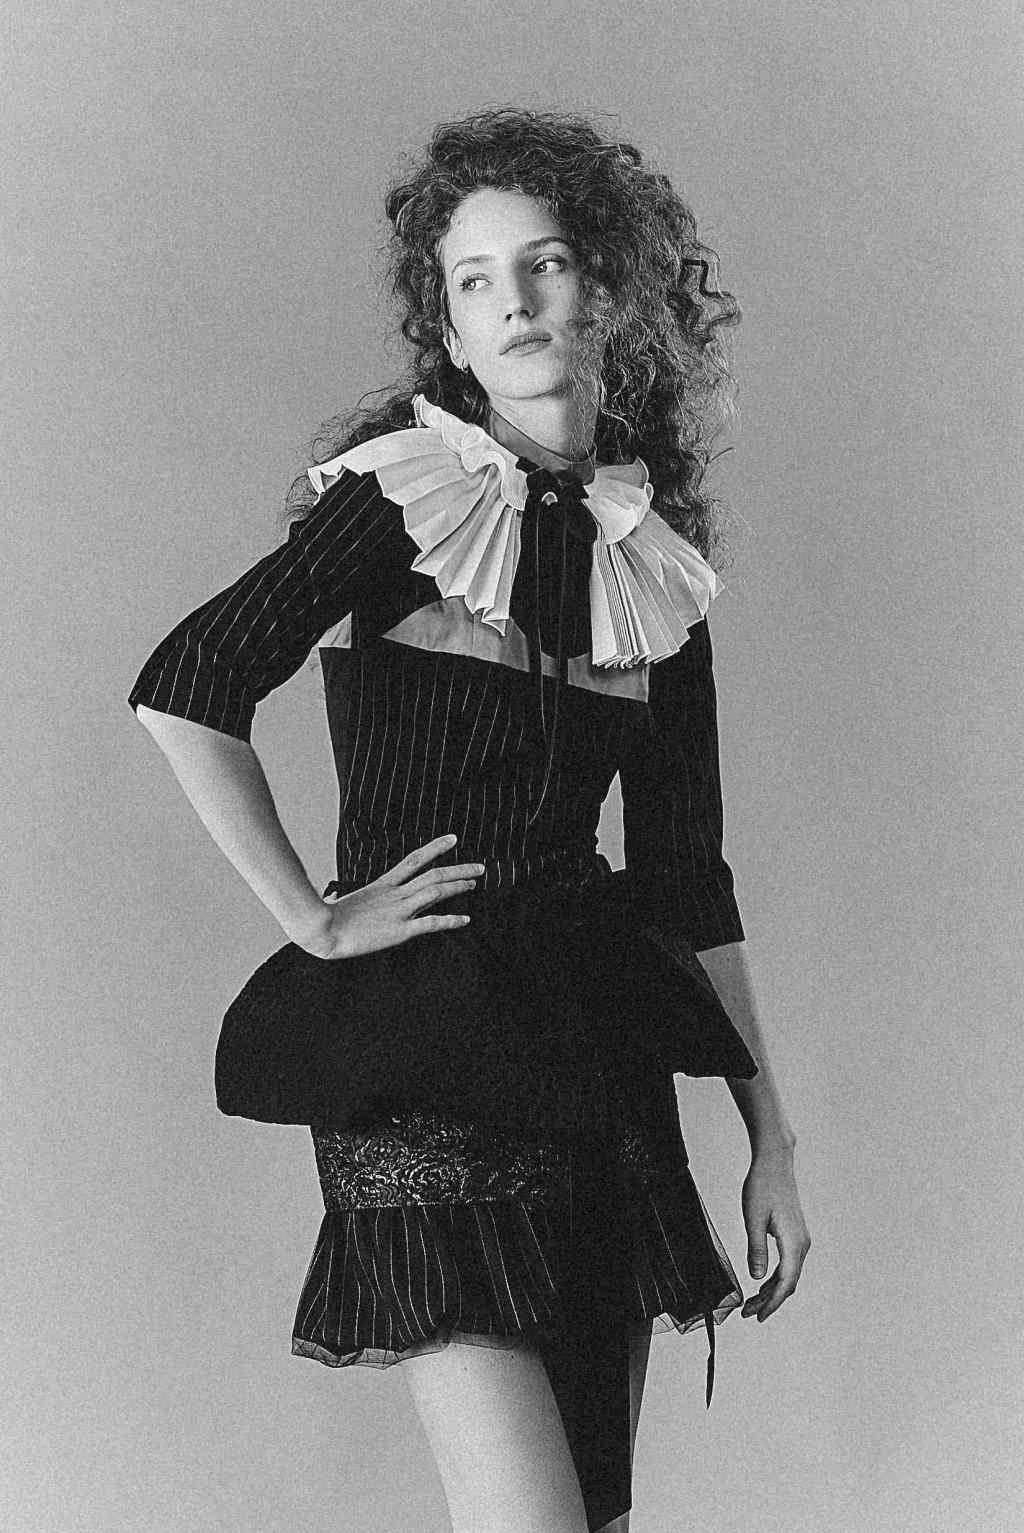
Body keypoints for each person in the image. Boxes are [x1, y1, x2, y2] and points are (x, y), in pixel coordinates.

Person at [127, 107, 810, 1533]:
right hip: (421, 1058)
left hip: (599, 1067)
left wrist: (773, 1142)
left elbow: (688, 880)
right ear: (445, 323)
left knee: (597, 1522)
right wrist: (316, 918)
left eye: (545, 263)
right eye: (475, 279)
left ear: (606, 290)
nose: (514, 302)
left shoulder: (655, 573)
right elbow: (187, 687)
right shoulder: (400, 502)